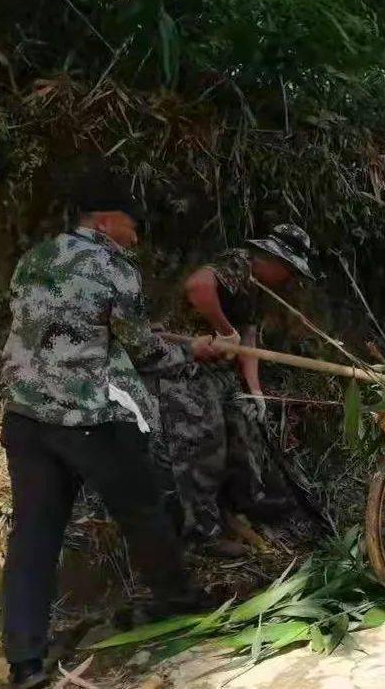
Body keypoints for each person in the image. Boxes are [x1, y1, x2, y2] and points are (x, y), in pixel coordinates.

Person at [0, 174, 222, 689]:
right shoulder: (111, 265)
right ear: (103, 221)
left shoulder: (35, 258)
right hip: (91, 419)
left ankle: (25, 661)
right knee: (143, 509)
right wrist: (194, 350)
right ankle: (177, 602)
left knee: (33, 533)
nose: (137, 235)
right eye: (132, 224)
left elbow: (65, 328)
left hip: (27, 418)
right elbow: (143, 351)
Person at [148, 224, 316, 546]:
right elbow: (197, 286)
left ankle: (247, 508)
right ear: (273, 260)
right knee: (204, 438)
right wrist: (224, 329)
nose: (290, 279)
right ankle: (202, 533)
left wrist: (255, 391)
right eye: (289, 270)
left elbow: (248, 342)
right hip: (183, 357)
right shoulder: (240, 264)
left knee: (245, 423)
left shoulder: (257, 289)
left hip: (218, 368)